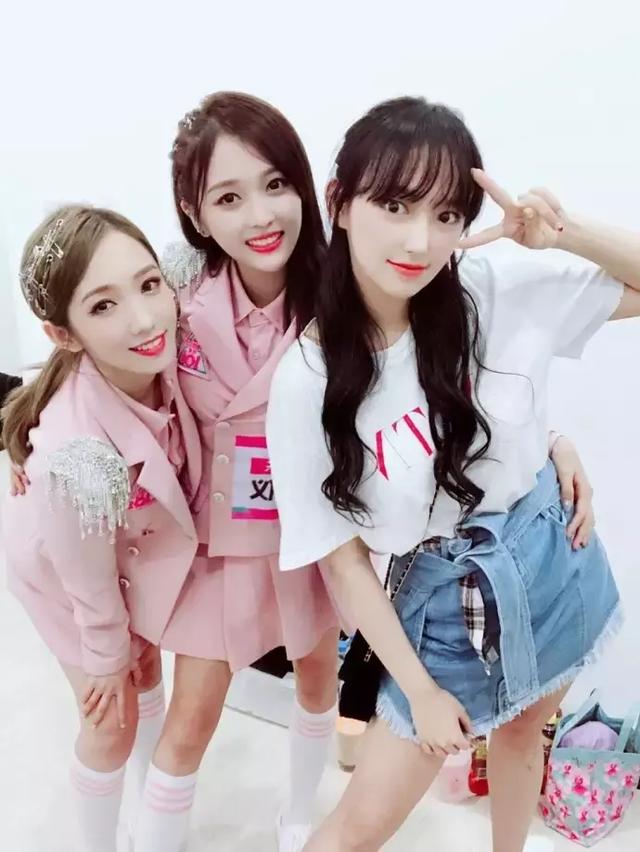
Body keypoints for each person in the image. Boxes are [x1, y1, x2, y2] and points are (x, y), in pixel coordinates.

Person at [265, 96, 640, 851]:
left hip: (552, 554)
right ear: (339, 203)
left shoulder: (489, 291)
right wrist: (423, 690)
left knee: (526, 735)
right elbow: (342, 560)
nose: (420, 239)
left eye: (446, 214)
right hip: (442, 604)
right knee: (356, 829)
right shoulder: (308, 380)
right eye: (395, 205)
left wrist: (562, 232)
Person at [135, 92, 340, 852]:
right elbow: (106, 378)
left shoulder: (345, 300)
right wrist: (37, 436)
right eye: (228, 197)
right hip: (212, 541)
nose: (261, 216)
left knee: (317, 680)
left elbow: (437, 378)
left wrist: (550, 440)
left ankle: (298, 818)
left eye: (276, 184)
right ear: (196, 214)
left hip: (307, 535)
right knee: (190, 721)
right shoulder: (175, 304)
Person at [1, 207, 202, 852]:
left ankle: (148, 814)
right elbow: (87, 582)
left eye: (149, 284)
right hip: (64, 572)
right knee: (111, 719)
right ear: (63, 334)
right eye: (104, 306)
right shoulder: (73, 458)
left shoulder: (167, 352)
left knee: (149, 674)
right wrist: (106, 659)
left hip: (127, 549)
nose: (144, 319)